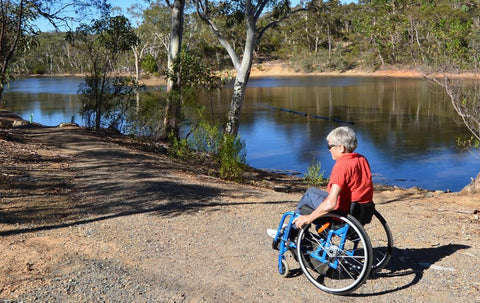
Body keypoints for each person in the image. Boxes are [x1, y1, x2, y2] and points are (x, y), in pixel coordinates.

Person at [267, 126, 374, 239]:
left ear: (341, 148)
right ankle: (295, 228)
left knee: (309, 196)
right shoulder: (361, 159)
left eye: (330, 146)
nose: (329, 150)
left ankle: (290, 233)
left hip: (342, 214)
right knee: (312, 191)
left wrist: (308, 218)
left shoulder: (342, 165)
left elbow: (331, 204)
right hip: (360, 212)